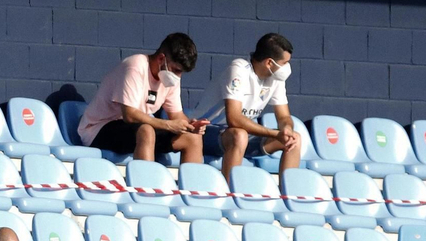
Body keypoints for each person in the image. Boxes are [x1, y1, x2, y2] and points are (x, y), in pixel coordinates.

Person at [76, 33, 206, 163]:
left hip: (135, 130)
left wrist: (190, 126)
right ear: (161, 59)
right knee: (146, 131)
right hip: (98, 130)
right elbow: (130, 115)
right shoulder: (135, 66)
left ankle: (193, 184)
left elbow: (176, 115)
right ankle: (146, 183)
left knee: (193, 138)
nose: (179, 76)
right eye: (176, 70)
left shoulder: (170, 79)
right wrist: (168, 125)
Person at [191, 33, 301, 183]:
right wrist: (275, 134)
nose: (287, 68)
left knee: (294, 139)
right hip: (206, 132)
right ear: (269, 63)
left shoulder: (276, 79)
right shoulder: (239, 69)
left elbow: (283, 117)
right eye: (284, 63)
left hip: (240, 135)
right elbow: (234, 119)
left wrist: (286, 128)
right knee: (239, 135)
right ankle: (230, 194)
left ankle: (288, 197)